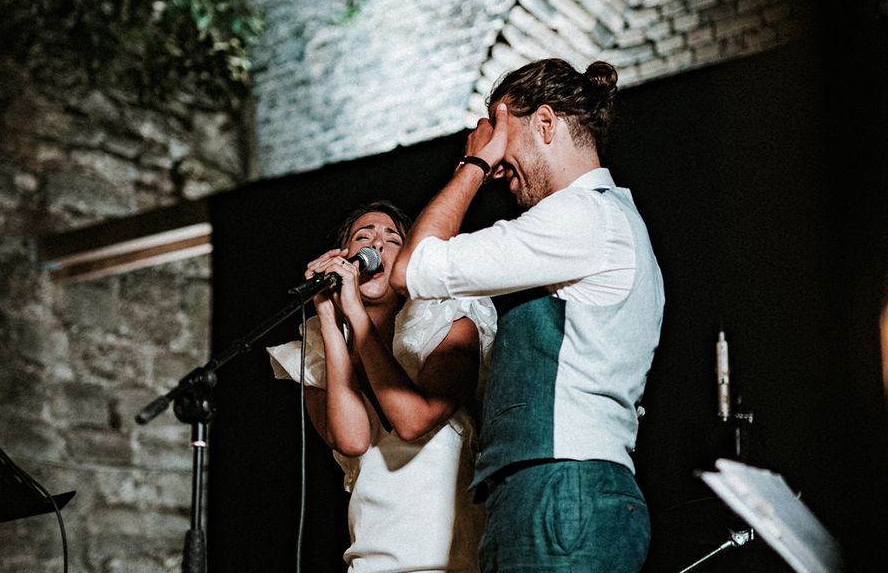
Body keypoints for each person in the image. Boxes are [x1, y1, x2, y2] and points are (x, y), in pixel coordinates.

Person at [390, 59, 665, 573]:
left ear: (544, 124)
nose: (498, 168)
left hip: (561, 490)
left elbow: (412, 266)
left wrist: (470, 165)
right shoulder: (607, 218)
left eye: (503, 140)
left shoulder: (580, 216)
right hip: (568, 492)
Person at [267, 200, 496, 573]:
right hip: (370, 558)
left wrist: (356, 314)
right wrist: (327, 315)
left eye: (392, 239)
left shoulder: (452, 320)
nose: (376, 244)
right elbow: (352, 439)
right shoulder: (317, 350)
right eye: (363, 236)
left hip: (454, 560)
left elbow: (413, 421)